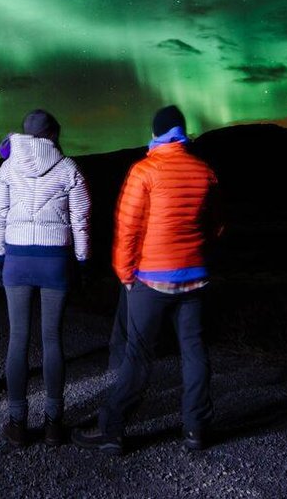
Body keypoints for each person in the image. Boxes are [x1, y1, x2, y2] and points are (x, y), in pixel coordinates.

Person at [74, 105, 223, 455]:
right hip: (195, 279)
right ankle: (196, 430)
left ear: (156, 133)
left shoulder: (144, 171)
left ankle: (111, 430)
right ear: (182, 133)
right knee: (195, 352)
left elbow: (128, 229)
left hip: (152, 279)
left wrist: (126, 275)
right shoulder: (205, 172)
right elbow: (216, 226)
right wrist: (198, 255)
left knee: (138, 356)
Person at [0, 109, 91, 447]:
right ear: (54, 132)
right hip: (54, 261)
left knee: (17, 339)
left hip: (17, 258)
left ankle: (17, 423)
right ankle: (53, 423)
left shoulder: (7, 167)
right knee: (52, 339)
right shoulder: (68, 168)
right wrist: (81, 258)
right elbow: (81, 217)